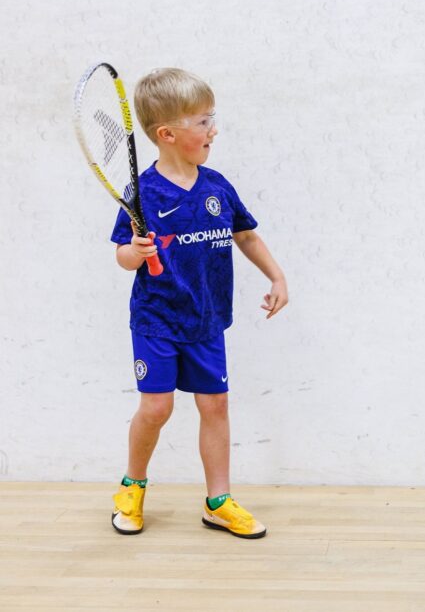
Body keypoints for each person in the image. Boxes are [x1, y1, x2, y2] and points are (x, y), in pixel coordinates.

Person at [109, 68, 288, 539]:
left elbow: (244, 234)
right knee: (157, 408)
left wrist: (276, 274)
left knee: (216, 405)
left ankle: (218, 501)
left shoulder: (217, 186)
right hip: (157, 320)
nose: (214, 129)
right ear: (167, 134)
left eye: (213, 118)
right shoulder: (142, 193)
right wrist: (136, 253)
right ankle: (132, 487)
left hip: (207, 321)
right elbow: (122, 254)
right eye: (203, 121)